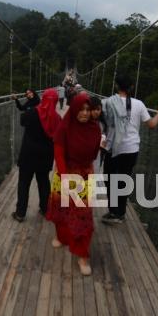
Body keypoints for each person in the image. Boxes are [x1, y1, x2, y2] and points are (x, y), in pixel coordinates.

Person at [46, 92, 102, 276]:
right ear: (75, 109)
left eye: (88, 109)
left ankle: (82, 255)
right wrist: (64, 177)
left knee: (84, 216)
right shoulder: (65, 127)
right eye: (81, 109)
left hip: (85, 175)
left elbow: (94, 154)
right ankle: (61, 236)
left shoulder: (95, 129)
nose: (85, 113)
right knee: (61, 209)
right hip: (66, 172)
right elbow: (58, 152)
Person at [101, 74, 158, 225]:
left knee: (110, 179)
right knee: (123, 180)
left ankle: (113, 211)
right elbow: (151, 125)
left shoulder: (107, 102)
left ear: (116, 86)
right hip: (131, 149)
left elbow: (101, 123)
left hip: (112, 148)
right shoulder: (139, 104)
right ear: (131, 87)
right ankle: (120, 213)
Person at [12, 88, 61, 222]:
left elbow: (22, 121)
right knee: (44, 182)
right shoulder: (58, 118)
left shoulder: (32, 113)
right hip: (45, 156)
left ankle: (20, 213)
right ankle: (45, 209)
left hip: (28, 154)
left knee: (23, 183)